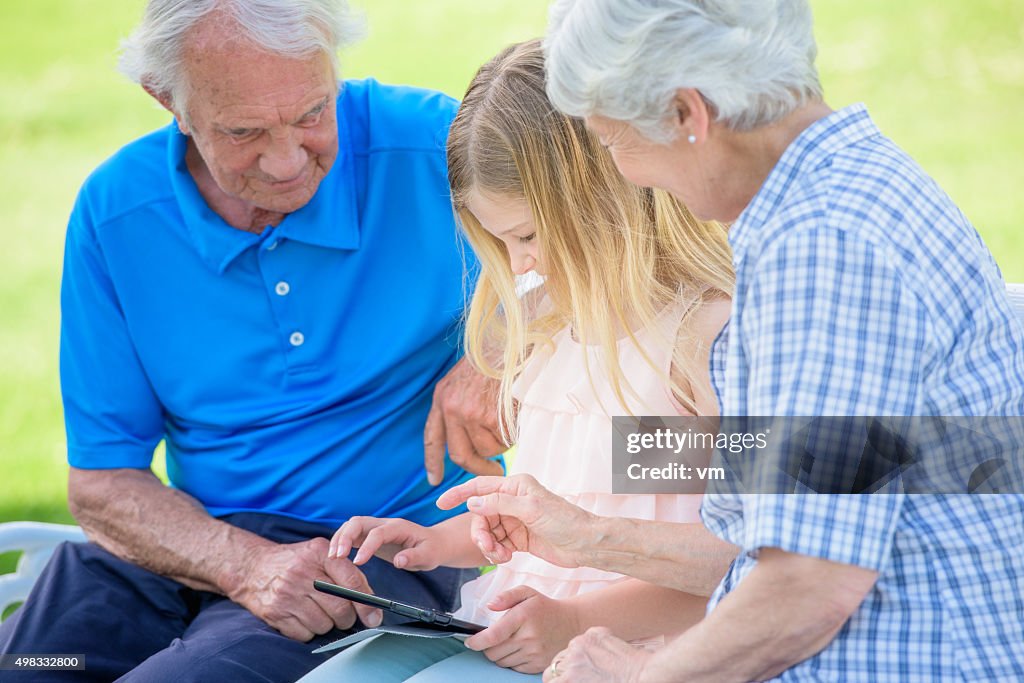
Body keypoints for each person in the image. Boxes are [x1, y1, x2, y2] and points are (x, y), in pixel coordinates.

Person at [443, 1, 1024, 681]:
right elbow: (772, 526)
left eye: (612, 143)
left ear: (688, 115)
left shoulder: (822, 253)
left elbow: (807, 588)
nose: (627, 177)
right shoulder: (854, 190)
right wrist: (589, 535)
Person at [0, 1, 506, 680]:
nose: (289, 159)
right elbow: (102, 481)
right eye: (244, 132)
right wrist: (243, 563)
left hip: (372, 557)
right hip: (187, 545)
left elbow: (603, 252)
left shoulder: (429, 146)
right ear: (168, 101)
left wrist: (500, 346)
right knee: (35, 665)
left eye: (310, 114)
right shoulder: (116, 211)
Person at [296, 39, 738, 682]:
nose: (518, 265)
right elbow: (566, 510)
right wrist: (436, 541)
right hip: (514, 617)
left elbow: (746, 559)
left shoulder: (701, 342)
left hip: (632, 641)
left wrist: (572, 621)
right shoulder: (546, 322)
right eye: (497, 243)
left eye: (526, 236)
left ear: (603, 200)